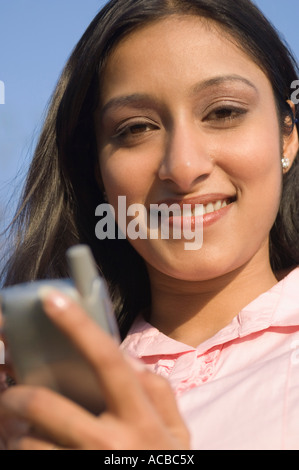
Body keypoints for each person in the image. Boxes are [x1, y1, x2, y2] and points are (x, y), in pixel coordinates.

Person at [0, 0, 299, 450]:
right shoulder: (43, 399)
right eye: (136, 128)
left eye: (223, 112)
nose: (182, 167)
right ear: (97, 170)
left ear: (287, 135)